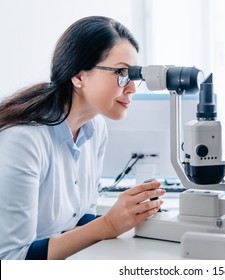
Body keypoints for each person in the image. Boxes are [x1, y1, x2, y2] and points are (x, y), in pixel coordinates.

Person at [0, 16, 165, 260]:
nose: (131, 88)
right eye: (121, 73)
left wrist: (131, 214)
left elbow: (78, 218)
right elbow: (11, 260)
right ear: (79, 76)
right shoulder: (24, 141)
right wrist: (108, 224)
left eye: (134, 76)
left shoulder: (95, 129)